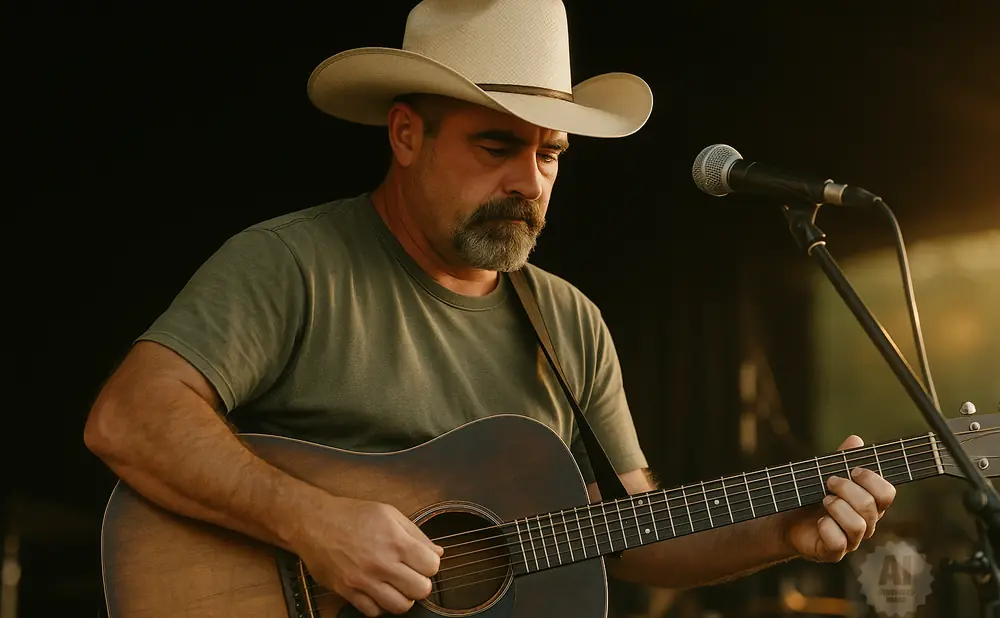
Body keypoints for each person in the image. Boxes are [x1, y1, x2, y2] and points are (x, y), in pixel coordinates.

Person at [83, 1, 896, 616]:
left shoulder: (568, 321)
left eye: (550, 154)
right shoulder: (292, 263)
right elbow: (128, 418)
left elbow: (630, 534)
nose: (530, 182)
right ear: (406, 135)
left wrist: (781, 531)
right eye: (497, 146)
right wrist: (314, 526)